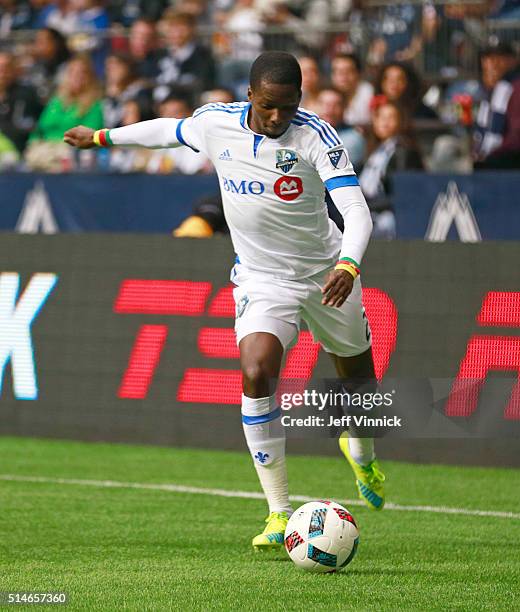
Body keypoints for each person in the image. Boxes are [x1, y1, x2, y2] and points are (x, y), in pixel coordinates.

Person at [64, 51, 386, 551]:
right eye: (271, 107)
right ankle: (279, 512)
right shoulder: (218, 124)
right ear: (252, 95)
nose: (280, 117)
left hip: (326, 273)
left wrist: (348, 264)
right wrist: (101, 137)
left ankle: (360, 452)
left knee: (359, 389)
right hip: (263, 279)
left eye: (290, 106)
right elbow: (167, 130)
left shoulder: (315, 136)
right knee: (257, 371)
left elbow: (356, 212)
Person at [360, 99, 423, 239]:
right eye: (381, 117)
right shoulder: (374, 151)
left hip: (388, 214)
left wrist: (367, 208)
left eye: (391, 118)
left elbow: (401, 195)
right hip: (368, 208)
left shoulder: (403, 152)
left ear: (401, 122)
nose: (385, 122)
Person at [473, 41, 520, 169]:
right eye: (487, 58)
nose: (492, 63)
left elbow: (516, 138)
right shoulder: (488, 91)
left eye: (500, 58)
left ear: (513, 61)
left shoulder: (516, 88)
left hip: (508, 163)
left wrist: (489, 155)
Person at [0, 51, 43, 153]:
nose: (3, 72)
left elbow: (34, 124)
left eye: (7, 68)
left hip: (20, 149)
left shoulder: (26, 94)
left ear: (15, 70)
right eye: (0, 68)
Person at [331, 53, 374, 127]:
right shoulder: (327, 94)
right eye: (339, 72)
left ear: (359, 74)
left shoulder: (368, 92)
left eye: (348, 71)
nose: (343, 76)